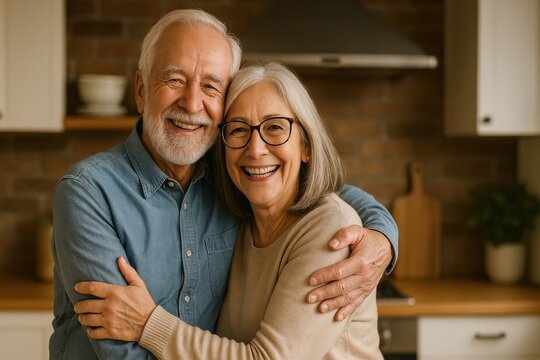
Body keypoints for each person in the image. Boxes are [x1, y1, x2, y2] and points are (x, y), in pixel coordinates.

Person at [50, 9, 397, 359]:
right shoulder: (89, 191)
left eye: (211, 86)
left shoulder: (236, 179)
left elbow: (327, 197)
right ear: (140, 90)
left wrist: (383, 239)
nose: (191, 103)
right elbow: (120, 351)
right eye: (174, 80)